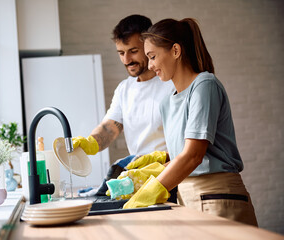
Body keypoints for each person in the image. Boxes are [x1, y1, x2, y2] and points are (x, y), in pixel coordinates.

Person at [122, 18, 258, 226]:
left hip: (217, 196)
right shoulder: (167, 102)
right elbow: (184, 156)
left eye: (152, 56)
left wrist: (153, 188)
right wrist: (156, 166)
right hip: (185, 196)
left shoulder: (204, 85)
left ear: (175, 51)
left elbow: (194, 155)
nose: (150, 65)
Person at [72, 15, 176, 201]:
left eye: (133, 51)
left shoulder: (171, 83)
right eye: (121, 53)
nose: (127, 59)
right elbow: (110, 128)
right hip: (137, 179)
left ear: (148, 46)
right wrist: (89, 143)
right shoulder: (124, 89)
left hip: (169, 177)